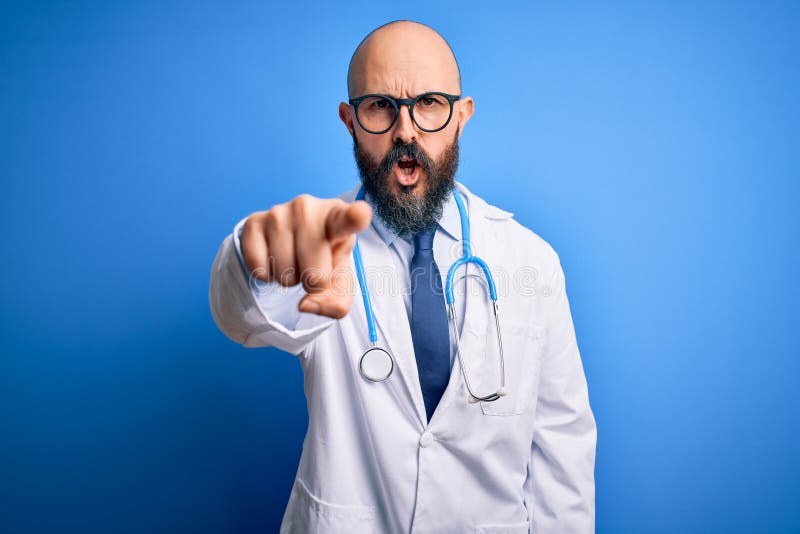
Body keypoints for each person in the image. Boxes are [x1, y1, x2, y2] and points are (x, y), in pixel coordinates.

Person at [209, 20, 596, 534]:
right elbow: (244, 318)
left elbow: (561, 449)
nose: (406, 131)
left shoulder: (530, 260)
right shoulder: (319, 246)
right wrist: (252, 258)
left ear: (462, 116)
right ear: (350, 120)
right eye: (380, 107)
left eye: (430, 103)